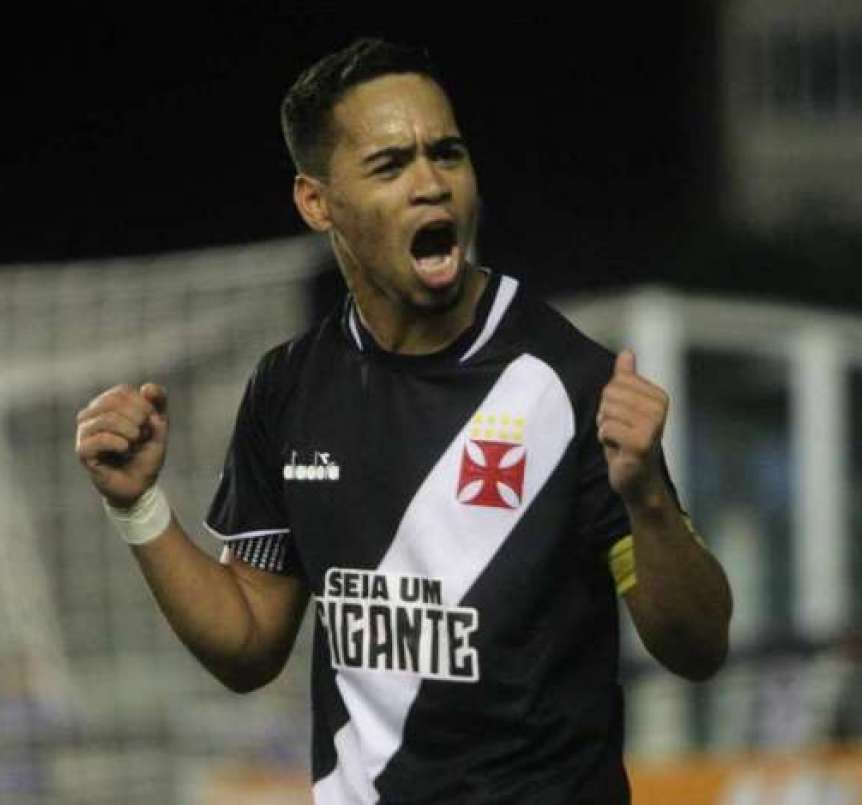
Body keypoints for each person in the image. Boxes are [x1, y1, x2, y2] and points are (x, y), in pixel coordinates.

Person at [75, 38, 732, 804]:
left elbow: (697, 646)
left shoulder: (570, 382)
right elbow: (249, 642)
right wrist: (139, 507)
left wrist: (647, 498)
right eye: (391, 165)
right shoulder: (289, 387)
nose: (431, 184)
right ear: (317, 202)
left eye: (447, 154)